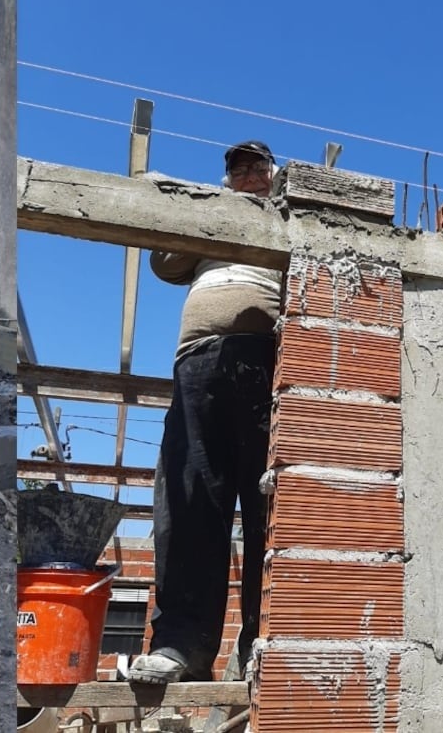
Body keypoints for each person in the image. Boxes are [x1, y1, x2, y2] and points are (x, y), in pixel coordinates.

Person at [127, 140, 281, 685]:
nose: (247, 173)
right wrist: (201, 203)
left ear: (273, 171)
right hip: (197, 362)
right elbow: (165, 256)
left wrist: (272, 201)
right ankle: (182, 645)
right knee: (190, 499)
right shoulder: (211, 220)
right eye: (237, 167)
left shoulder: (285, 214)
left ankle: (263, 643)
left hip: (268, 361)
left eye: (256, 165)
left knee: (271, 504)